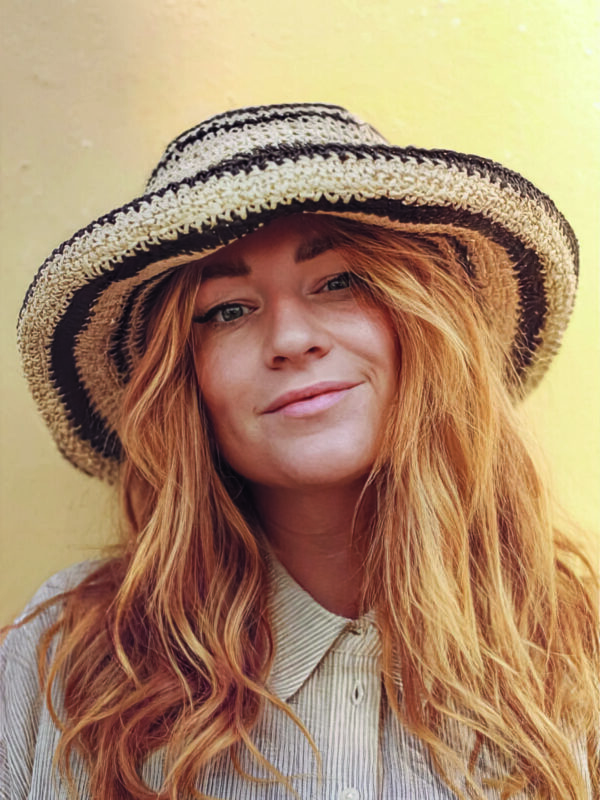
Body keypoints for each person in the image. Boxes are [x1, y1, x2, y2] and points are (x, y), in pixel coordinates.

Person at [1, 103, 597, 800]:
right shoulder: (66, 661)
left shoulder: (576, 654)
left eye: (340, 281)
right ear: (182, 383)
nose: (289, 337)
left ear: (427, 324)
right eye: (227, 309)